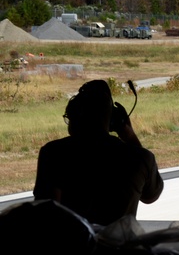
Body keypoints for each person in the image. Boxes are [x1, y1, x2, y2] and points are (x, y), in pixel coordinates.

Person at [34, 79, 163, 225]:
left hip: (73, 246)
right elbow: (151, 196)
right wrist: (129, 135)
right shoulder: (140, 158)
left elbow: (45, 214)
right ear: (113, 120)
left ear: (74, 115)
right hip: (118, 246)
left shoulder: (53, 153)